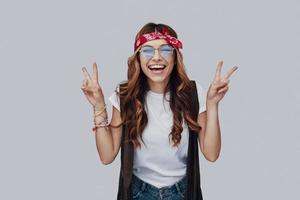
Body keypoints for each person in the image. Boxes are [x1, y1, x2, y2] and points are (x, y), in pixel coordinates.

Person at [81, 22, 238, 200]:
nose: (156, 57)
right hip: (139, 193)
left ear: (175, 56)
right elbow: (107, 156)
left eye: (165, 50)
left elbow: (211, 154)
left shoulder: (193, 94)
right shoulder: (125, 96)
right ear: (138, 58)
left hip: (183, 193)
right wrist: (98, 106)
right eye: (147, 50)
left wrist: (212, 104)